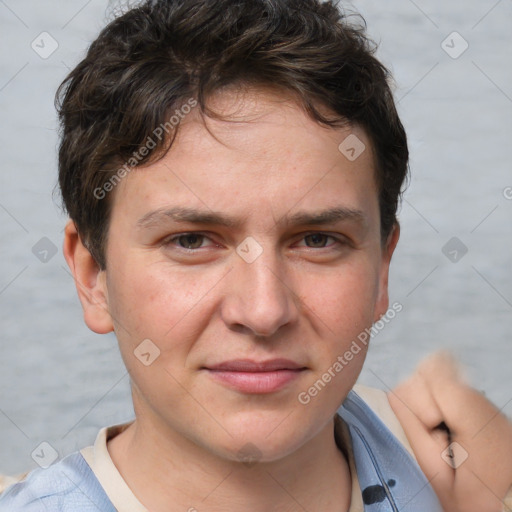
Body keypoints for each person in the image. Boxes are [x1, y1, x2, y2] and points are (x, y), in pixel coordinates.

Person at [0, 0, 511, 510]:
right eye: (192, 241)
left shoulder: (468, 470)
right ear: (93, 277)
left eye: (317, 240)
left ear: (382, 270)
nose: (264, 311)